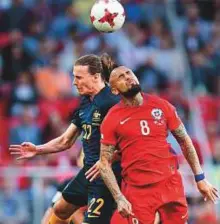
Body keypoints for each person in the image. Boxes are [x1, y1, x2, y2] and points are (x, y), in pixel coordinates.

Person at [87, 65, 219, 224]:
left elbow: (184, 140)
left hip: (170, 184)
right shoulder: (111, 118)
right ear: (114, 90)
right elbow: (104, 163)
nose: (128, 77)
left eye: (129, 73)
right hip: (138, 191)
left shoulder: (162, 106)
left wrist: (200, 178)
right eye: (121, 77)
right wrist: (119, 197)